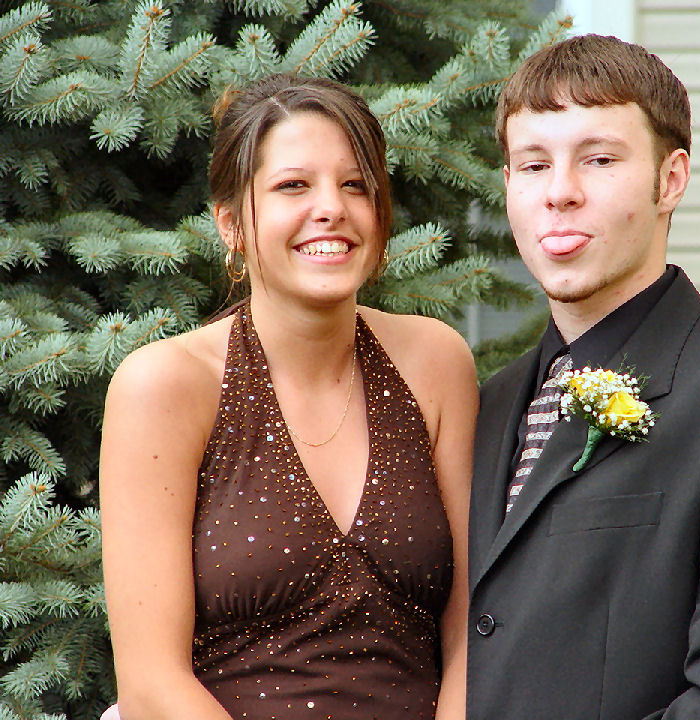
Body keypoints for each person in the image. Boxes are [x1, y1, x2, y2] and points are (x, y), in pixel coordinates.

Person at [467, 35, 700, 719]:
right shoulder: (489, 405)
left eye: (599, 159)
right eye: (533, 164)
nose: (559, 193)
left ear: (670, 180)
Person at [100, 74, 476, 720]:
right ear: (231, 224)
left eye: (355, 185)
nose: (332, 207)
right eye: (293, 186)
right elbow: (151, 684)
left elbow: (474, 629)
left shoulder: (435, 364)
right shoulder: (164, 387)